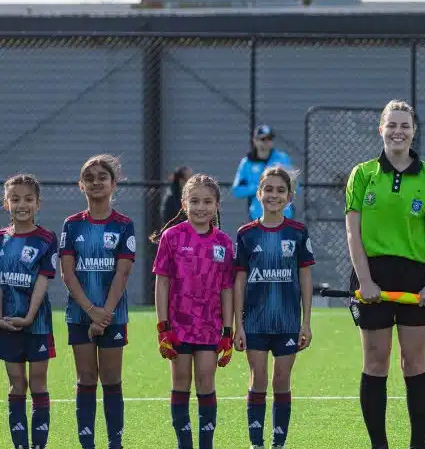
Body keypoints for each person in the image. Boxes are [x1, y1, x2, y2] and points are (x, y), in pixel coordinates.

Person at [345, 100, 425, 449]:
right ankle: (379, 445)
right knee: (376, 362)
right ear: (381, 129)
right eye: (392, 125)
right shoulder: (362, 174)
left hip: (414, 277)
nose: (398, 131)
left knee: (414, 362)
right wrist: (365, 280)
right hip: (372, 274)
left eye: (405, 125)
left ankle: (419, 444)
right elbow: (352, 233)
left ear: (414, 131)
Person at [232, 166, 315, 449]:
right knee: (258, 379)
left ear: (290, 197)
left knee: (282, 379)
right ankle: (257, 442)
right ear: (259, 193)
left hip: (288, 322)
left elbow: (305, 278)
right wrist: (238, 325)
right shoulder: (246, 234)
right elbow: (239, 281)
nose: (274, 195)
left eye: (281, 190)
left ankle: (278, 442)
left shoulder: (298, 233)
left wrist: (306, 322)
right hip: (254, 322)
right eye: (268, 189)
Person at [151, 173, 236, 449]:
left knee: (206, 381)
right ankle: (184, 444)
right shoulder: (171, 237)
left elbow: (226, 288)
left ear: (217, 206)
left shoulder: (223, 242)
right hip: (178, 325)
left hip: (210, 327)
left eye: (208, 201)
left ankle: (206, 445)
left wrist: (227, 330)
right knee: (181, 381)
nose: (201, 207)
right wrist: (163, 326)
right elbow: (162, 282)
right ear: (184, 203)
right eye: (195, 201)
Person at [59, 155, 136, 449]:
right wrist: (90, 311)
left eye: (102, 177)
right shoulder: (72, 225)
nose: (96, 182)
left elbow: (123, 271)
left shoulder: (124, 225)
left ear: (113, 184)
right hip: (79, 315)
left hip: (113, 314)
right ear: (81, 186)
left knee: (111, 379)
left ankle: (114, 443)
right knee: (86, 377)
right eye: (89, 178)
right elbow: (68, 273)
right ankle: (87, 443)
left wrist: (105, 313)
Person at [0, 174, 58, 449]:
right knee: (16, 383)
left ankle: (39, 445)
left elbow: (43, 282)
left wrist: (30, 316)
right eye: (14, 199)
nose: (21, 204)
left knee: (37, 383)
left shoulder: (47, 239)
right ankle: (20, 445)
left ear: (38, 204)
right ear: (5, 203)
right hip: (6, 324)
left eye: (28, 199)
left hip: (38, 324)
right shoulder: (0, 240)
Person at [233, 125, 296, 222]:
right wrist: (260, 187)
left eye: (270, 139)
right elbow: (237, 191)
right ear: (255, 141)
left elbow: (295, 186)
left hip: (284, 216)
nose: (267, 142)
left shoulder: (282, 158)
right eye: (263, 139)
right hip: (258, 216)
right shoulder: (247, 163)